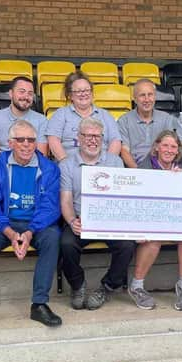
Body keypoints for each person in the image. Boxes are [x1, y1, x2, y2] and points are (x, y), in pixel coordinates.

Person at [0, 120, 62, 334]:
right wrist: (9, 232)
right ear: (10, 143)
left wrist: (28, 233)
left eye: (31, 140)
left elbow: (50, 208)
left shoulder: (49, 169)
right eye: (20, 139)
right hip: (5, 224)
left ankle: (39, 304)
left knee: (53, 237)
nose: (26, 144)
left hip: (36, 225)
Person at [59, 117, 136, 310]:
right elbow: (66, 200)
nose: (93, 140)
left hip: (109, 221)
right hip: (80, 220)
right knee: (66, 244)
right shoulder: (67, 165)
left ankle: (107, 287)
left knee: (127, 245)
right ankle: (77, 285)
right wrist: (71, 221)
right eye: (88, 136)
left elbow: (123, 197)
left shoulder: (115, 162)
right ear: (78, 138)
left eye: (98, 137)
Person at [128, 130, 182, 311]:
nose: (169, 150)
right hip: (150, 219)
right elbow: (138, 202)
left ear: (178, 150)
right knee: (153, 237)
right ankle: (136, 286)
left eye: (173, 146)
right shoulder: (144, 168)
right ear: (157, 147)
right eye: (165, 145)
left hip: (177, 218)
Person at [0, 76, 48, 190]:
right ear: (11, 93)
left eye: (30, 93)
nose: (26, 97)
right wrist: (11, 172)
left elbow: (41, 153)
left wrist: (22, 171)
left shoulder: (41, 120)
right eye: (22, 92)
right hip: (2, 165)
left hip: (31, 164)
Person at [47, 71, 122, 162]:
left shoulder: (105, 115)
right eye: (78, 91)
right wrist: (66, 165)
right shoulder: (61, 114)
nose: (83, 94)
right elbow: (53, 140)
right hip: (70, 166)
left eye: (87, 90)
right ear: (70, 95)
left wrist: (107, 165)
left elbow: (115, 141)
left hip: (101, 166)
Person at [118, 79, 177, 168]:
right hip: (136, 168)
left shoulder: (166, 119)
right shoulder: (124, 121)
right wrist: (139, 173)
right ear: (134, 98)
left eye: (150, 95)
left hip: (161, 169)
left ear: (155, 96)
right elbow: (124, 151)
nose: (147, 99)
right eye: (142, 95)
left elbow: (170, 148)